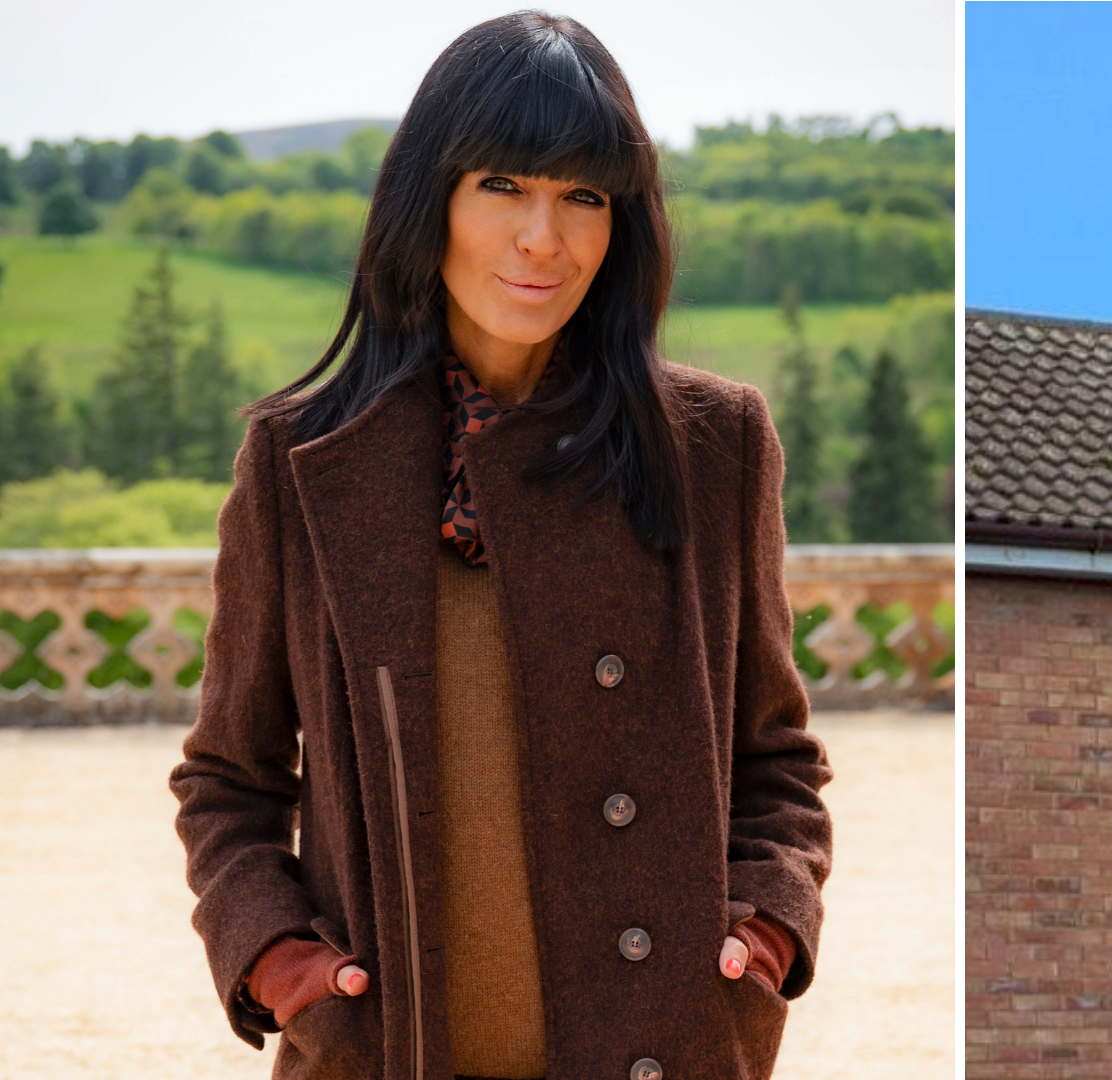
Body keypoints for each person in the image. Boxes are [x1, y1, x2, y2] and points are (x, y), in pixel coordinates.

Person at [169, 12, 831, 1080]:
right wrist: (280, 963)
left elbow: (775, 760)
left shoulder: (715, 447)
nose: (545, 240)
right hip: (383, 1052)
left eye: (584, 197)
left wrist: (764, 934)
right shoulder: (301, 461)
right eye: (505, 188)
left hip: (662, 1049)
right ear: (430, 199)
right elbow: (229, 780)